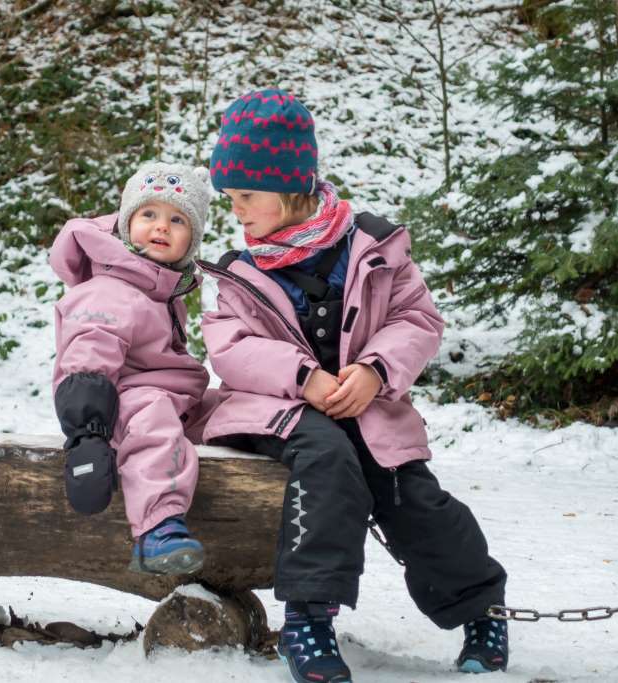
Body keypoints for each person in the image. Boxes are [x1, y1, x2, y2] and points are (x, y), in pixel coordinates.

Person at [198, 89, 509, 681]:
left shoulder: (372, 248)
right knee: (327, 464)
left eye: (247, 197)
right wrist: (303, 378)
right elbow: (231, 349)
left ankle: (481, 607)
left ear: (292, 187)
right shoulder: (240, 273)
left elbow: (416, 319)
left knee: (413, 498)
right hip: (282, 411)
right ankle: (308, 621)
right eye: (231, 198)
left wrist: (375, 370)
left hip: (371, 406)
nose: (236, 210)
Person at [51, 161, 211, 575]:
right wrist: (88, 436)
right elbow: (88, 359)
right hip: (121, 402)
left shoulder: (157, 287)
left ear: (192, 241)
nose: (162, 227)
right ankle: (158, 527)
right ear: (126, 223)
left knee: (231, 406)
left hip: (171, 393)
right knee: (152, 419)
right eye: (149, 214)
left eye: (178, 220)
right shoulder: (112, 288)